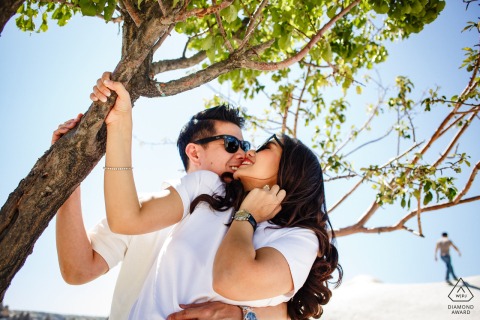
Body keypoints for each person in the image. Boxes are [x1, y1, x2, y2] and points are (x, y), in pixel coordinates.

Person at [100, 76, 341, 319]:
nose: (251, 151)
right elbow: (126, 219)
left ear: (290, 172)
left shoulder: (299, 239)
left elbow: (230, 279)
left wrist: (248, 216)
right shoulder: (207, 187)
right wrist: (120, 124)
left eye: (266, 148)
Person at [54, 74, 288, 319]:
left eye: (245, 145)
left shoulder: (252, 219)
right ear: (194, 153)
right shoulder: (136, 208)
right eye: (231, 144)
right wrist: (67, 178)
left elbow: (290, 302)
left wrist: (242, 313)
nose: (243, 153)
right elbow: (78, 271)